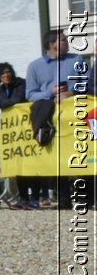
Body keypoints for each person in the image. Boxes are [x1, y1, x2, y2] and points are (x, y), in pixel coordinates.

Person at [26, 29, 91, 208]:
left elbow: (87, 82)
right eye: (63, 40)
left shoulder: (76, 60)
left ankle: (85, 197)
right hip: (50, 121)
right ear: (52, 44)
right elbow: (30, 94)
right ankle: (62, 198)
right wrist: (50, 92)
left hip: (74, 116)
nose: (67, 42)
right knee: (57, 158)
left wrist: (70, 93)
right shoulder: (34, 66)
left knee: (81, 156)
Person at [0, 61, 37, 208]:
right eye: (2, 73)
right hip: (14, 133)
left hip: (27, 128)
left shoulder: (21, 84)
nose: (6, 75)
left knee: (31, 163)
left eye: (8, 72)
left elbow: (18, 100)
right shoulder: (1, 89)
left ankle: (34, 198)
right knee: (18, 164)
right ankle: (23, 199)